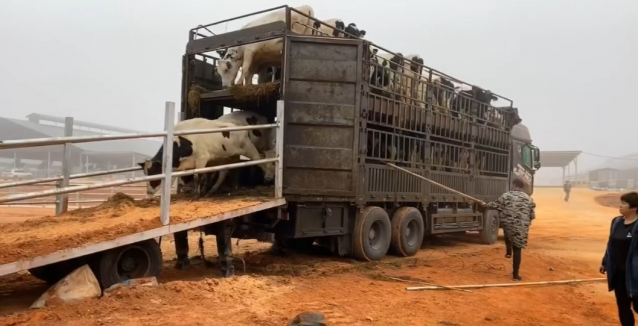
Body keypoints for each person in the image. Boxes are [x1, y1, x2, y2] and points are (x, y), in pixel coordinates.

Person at [484, 178, 536, 281]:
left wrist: (484, 205)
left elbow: (495, 205)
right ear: (522, 187)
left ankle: (508, 251)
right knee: (517, 248)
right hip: (521, 227)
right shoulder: (529, 199)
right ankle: (515, 275)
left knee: (508, 233)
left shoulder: (506, 195)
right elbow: (532, 215)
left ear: (514, 185)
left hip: (507, 225)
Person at [600, 191, 638, 326]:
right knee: (623, 307)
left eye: (624, 203)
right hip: (619, 274)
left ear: (634, 208)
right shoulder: (616, 222)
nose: (620, 206)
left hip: (635, 275)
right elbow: (611, 244)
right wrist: (605, 261)